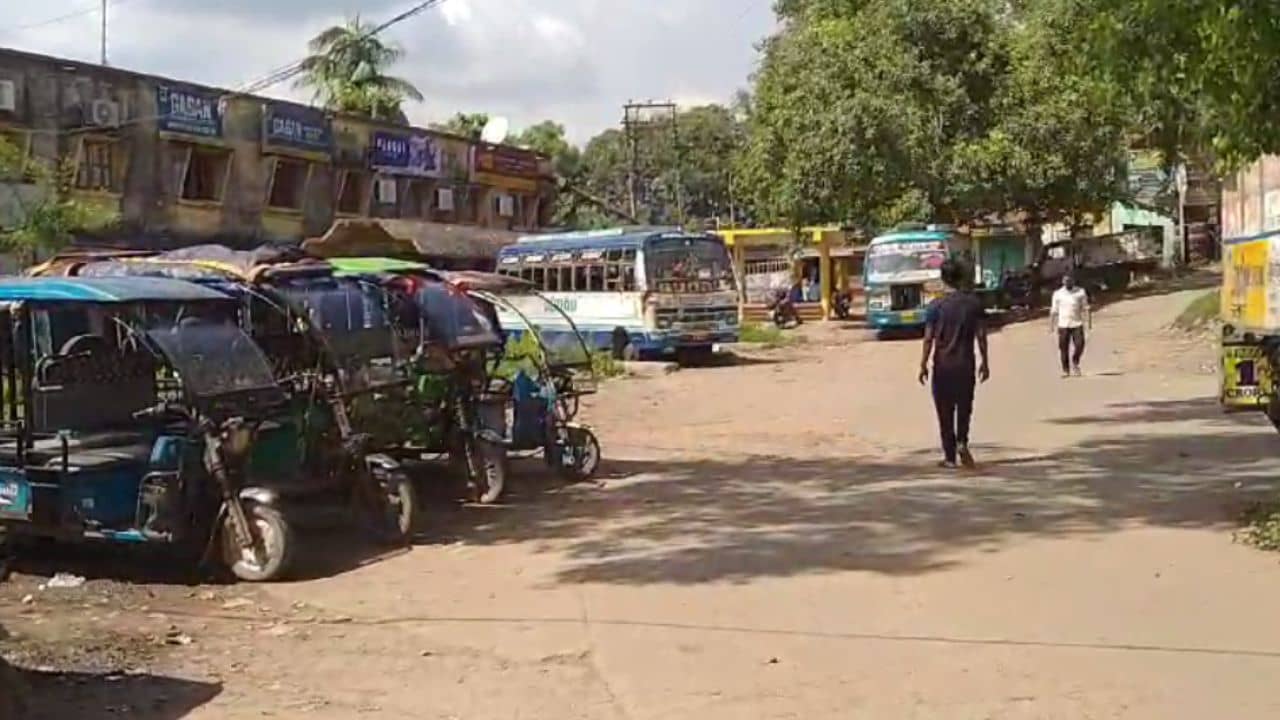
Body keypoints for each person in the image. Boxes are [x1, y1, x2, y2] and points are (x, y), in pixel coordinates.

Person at [918, 259, 990, 469]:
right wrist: (985, 362)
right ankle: (962, 442)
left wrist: (922, 364)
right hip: (965, 363)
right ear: (960, 277)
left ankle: (949, 457)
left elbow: (928, 338)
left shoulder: (936, 306)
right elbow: (981, 335)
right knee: (965, 407)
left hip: (942, 366)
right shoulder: (973, 303)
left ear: (943, 278)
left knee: (944, 410)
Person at [1049, 273, 1090, 377]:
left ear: (1073, 280)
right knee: (1063, 348)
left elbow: (1086, 308)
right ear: (1063, 282)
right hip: (1063, 325)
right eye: (1065, 281)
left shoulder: (1080, 292)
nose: (1067, 282)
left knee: (1080, 344)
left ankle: (1075, 361)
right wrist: (1051, 325)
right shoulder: (1057, 294)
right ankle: (1065, 370)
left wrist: (1088, 322)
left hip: (1077, 323)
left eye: (1069, 280)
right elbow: (1054, 310)